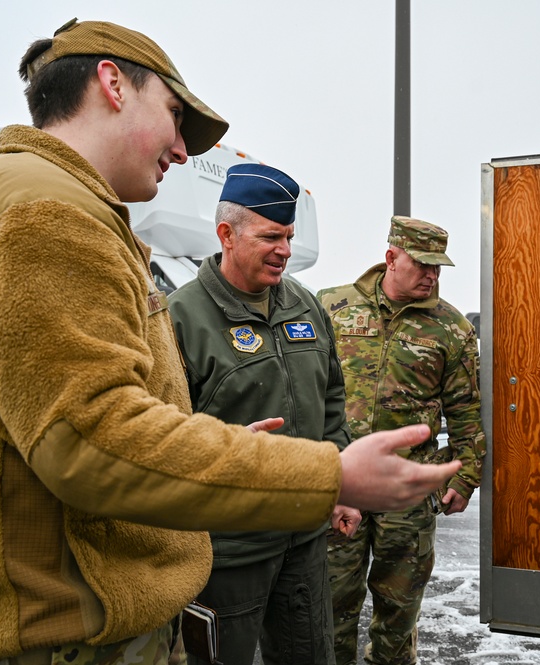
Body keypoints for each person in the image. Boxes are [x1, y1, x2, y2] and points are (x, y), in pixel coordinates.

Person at [0, 20, 459, 665]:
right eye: (174, 116)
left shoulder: (30, 202)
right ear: (112, 83)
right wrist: (329, 474)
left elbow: (80, 426)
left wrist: (220, 452)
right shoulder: (42, 213)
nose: (183, 152)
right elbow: (91, 440)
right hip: (54, 633)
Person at [168, 163, 360, 665]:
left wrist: (339, 485)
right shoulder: (180, 316)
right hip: (227, 552)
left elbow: (332, 403)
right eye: (271, 236)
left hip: (304, 540)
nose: (286, 250)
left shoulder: (303, 304)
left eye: (290, 236)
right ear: (226, 235)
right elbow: (160, 434)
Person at [318, 216, 487, 665]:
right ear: (391, 258)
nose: (432, 276)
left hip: (408, 491)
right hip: (340, 483)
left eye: (439, 268)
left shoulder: (450, 328)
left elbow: (467, 409)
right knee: (331, 604)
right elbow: (305, 389)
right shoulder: (332, 307)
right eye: (423, 265)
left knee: (399, 610)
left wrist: (467, 475)